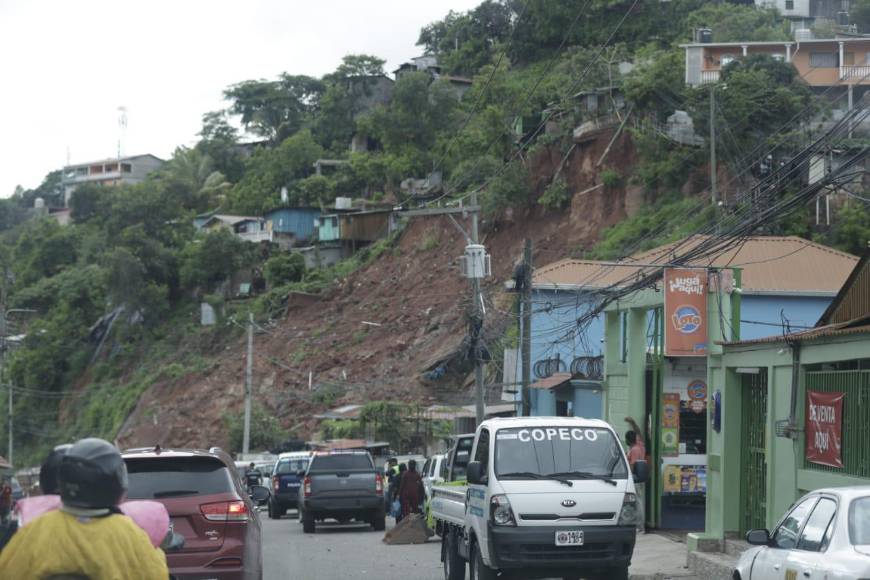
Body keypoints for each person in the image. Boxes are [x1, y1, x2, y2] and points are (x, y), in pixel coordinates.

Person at [0, 437, 169, 579]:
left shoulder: (35, 530)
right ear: (114, 482)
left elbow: (7, 572)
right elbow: (156, 574)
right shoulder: (129, 534)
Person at [625, 416, 646, 534]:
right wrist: (632, 422)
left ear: (628, 440)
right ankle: (639, 525)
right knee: (639, 500)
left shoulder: (633, 450)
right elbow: (638, 432)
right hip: (641, 477)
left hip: (636, 478)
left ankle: (640, 526)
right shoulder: (640, 445)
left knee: (637, 502)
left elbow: (632, 466)